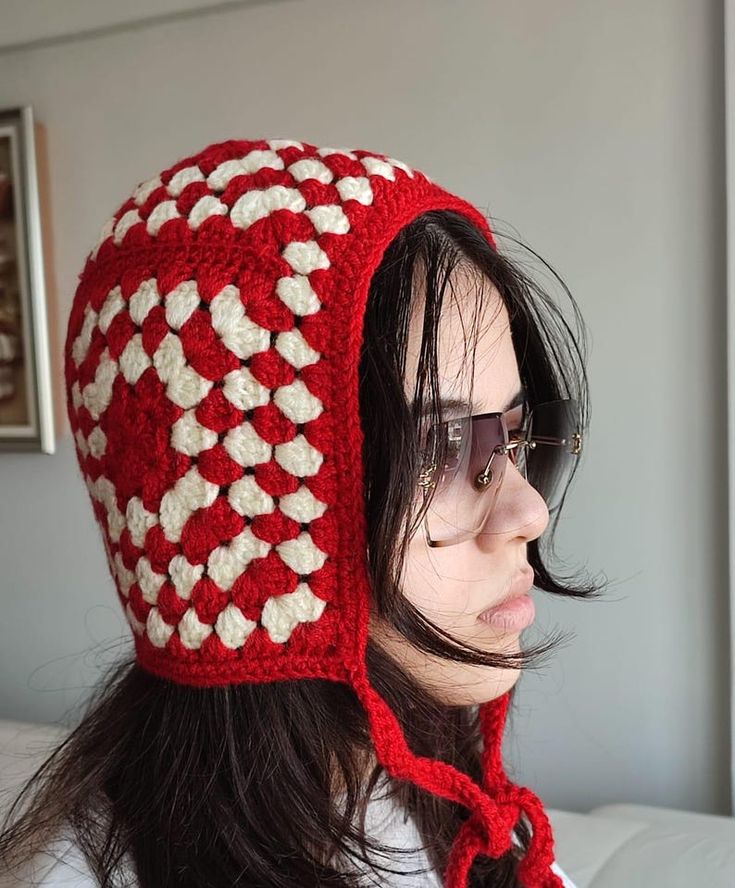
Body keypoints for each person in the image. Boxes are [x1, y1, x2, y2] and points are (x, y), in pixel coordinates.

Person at [0, 137, 605, 887]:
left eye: (512, 435)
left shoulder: (466, 821)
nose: (527, 510)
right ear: (244, 538)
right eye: (438, 452)